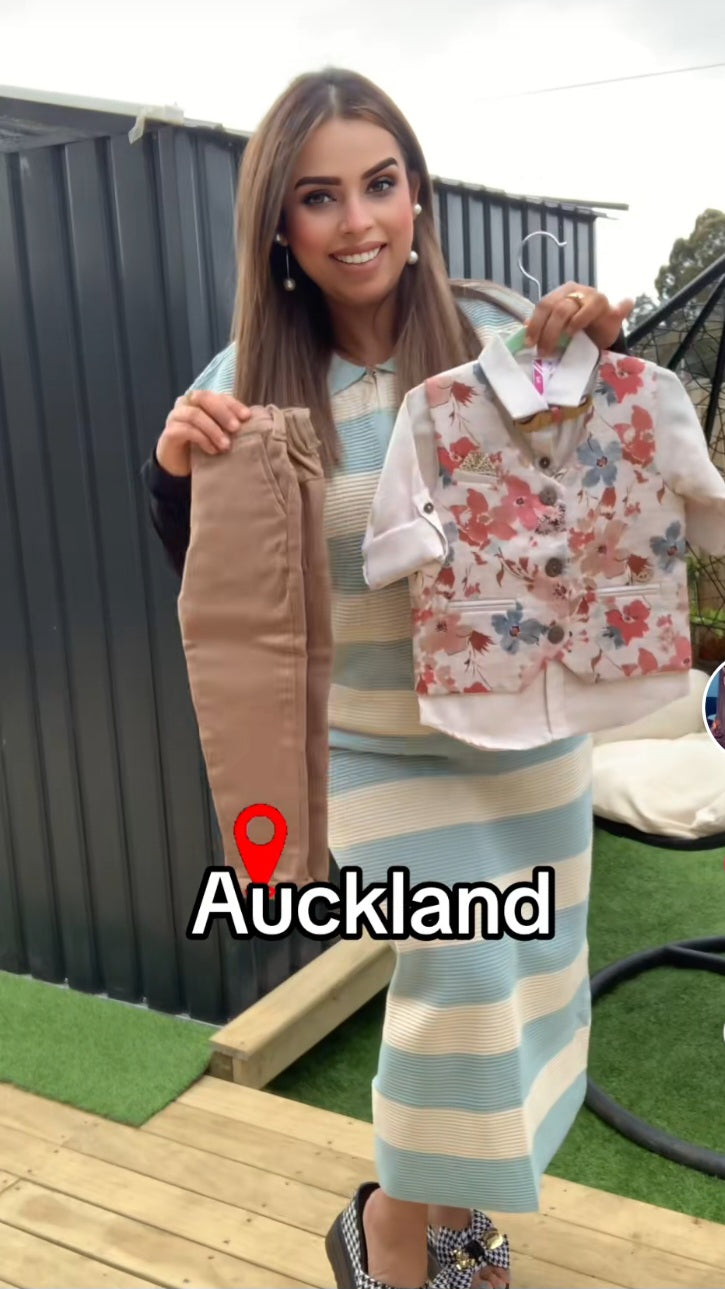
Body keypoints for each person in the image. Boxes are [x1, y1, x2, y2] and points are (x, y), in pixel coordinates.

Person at [141, 67, 635, 1289]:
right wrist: (170, 475)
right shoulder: (239, 378)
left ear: (414, 196)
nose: (356, 219)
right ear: (281, 226)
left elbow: (587, 514)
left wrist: (594, 376)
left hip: (521, 743)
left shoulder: (498, 338)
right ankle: (392, 1235)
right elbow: (222, 585)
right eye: (320, 196)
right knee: (462, 975)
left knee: (519, 994)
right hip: (363, 742)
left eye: (379, 183)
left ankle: (460, 1213)